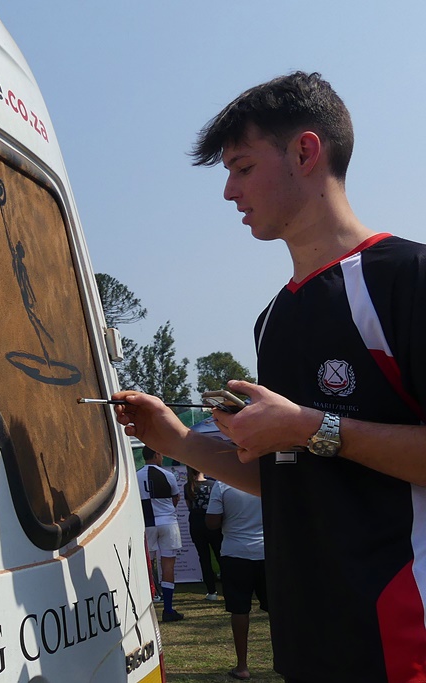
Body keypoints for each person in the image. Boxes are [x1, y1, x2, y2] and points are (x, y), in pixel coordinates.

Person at [112, 71, 426, 682]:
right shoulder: (274, 318)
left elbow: (311, 439)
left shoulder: (403, 279)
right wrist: (177, 439)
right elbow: (288, 479)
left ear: (306, 152)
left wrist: (311, 426)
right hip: (307, 641)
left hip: (401, 643)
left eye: (242, 166)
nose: (229, 190)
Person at [206, 480, 267, 681]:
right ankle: (283, 660)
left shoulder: (223, 485)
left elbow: (212, 522)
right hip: (266, 552)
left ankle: (242, 665)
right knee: (277, 610)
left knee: (239, 610)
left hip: (235, 553)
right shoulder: (266, 479)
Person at [136, 446, 184, 622]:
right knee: (168, 564)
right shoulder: (168, 475)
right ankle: (168, 608)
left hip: (147, 524)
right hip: (168, 523)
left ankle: (146, 608)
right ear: (156, 455)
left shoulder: (136, 475)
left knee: (147, 565)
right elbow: (176, 498)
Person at [184, 467, 222, 600]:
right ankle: (228, 588)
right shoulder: (213, 485)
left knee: (204, 558)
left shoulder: (188, 487)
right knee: (220, 555)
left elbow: (189, 506)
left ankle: (211, 592)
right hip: (212, 523)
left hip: (196, 524)